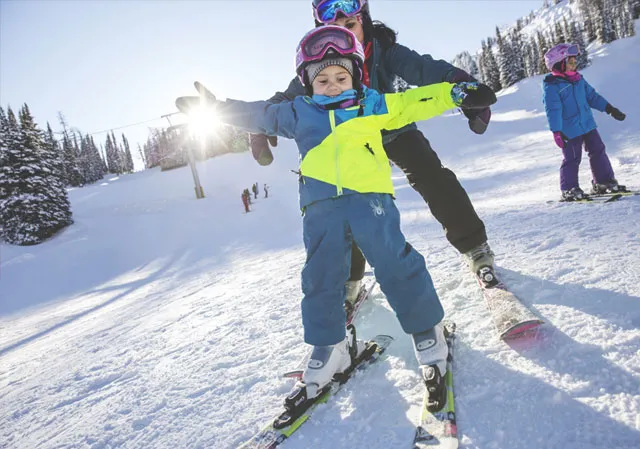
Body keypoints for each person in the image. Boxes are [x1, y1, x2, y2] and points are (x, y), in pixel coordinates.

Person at [176, 26, 496, 397]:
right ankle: (329, 347)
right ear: (308, 83)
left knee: (394, 262)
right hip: (320, 208)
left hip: (370, 202)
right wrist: (216, 110)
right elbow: (257, 114)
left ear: (355, 77)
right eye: (322, 78)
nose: (332, 84)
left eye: (342, 77)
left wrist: (456, 92)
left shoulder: (372, 104)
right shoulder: (296, 112)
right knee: (321, 277)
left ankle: (426, 329)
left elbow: (414, 102)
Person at [250, 0, 497, 303]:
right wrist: (262, 123)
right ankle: (350, 282)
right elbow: (290, 95)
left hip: (394, 128)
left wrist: (462, 86)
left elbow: (423, 69)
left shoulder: (384, 49)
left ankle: (475, 247)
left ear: (363, 19)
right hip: (351, 140)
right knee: (345, 198)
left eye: (350, 25)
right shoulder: (322, 59)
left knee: (433, 177)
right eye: (335, 28)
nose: (345, 34)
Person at [542, 43, 627, 201]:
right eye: (571, 62)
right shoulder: (553, 87)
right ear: (560, 65)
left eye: (575, 62)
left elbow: (592, 97)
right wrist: (557, 131)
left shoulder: (579, 80)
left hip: (588, 125)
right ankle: (569, 189)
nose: (575, 65)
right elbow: (553, 111)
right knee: (572, 158)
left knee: (598, 150)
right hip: (569, 130)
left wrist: (609, 108)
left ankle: (603, 182)